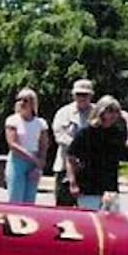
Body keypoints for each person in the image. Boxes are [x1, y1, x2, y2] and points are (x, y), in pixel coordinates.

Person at [63, 95, 128, 211]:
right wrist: (73, 183)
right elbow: (70, 158)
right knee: (90, 223)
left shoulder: (116, 133)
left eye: (116, 112)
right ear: (101, 111)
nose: (113, 115)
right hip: (88, 188)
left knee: (110, 225)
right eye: (110, 111)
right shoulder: (86, 132)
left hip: (110, 189)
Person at [49, 78, 95, 208]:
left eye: (85, 95)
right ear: (73, 95)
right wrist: (80, 147)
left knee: (88, 209)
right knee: (63, 209)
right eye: (79, 94)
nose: (82, 98)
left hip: (90, 168)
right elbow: (59, 136)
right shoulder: (63, 113)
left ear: (91, 95)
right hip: (64, 167)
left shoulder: (97, 113)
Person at [3, 87, 50, 205]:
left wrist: (39, 165)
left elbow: (43, 145)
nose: (22, 103)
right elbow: (12, 144)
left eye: (26, 100)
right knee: (15, 198)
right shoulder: (12, 120)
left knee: (30, 199)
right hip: (17, 161)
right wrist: (32, 158)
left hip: (35, 162)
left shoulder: (41, 123)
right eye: (19, 100)